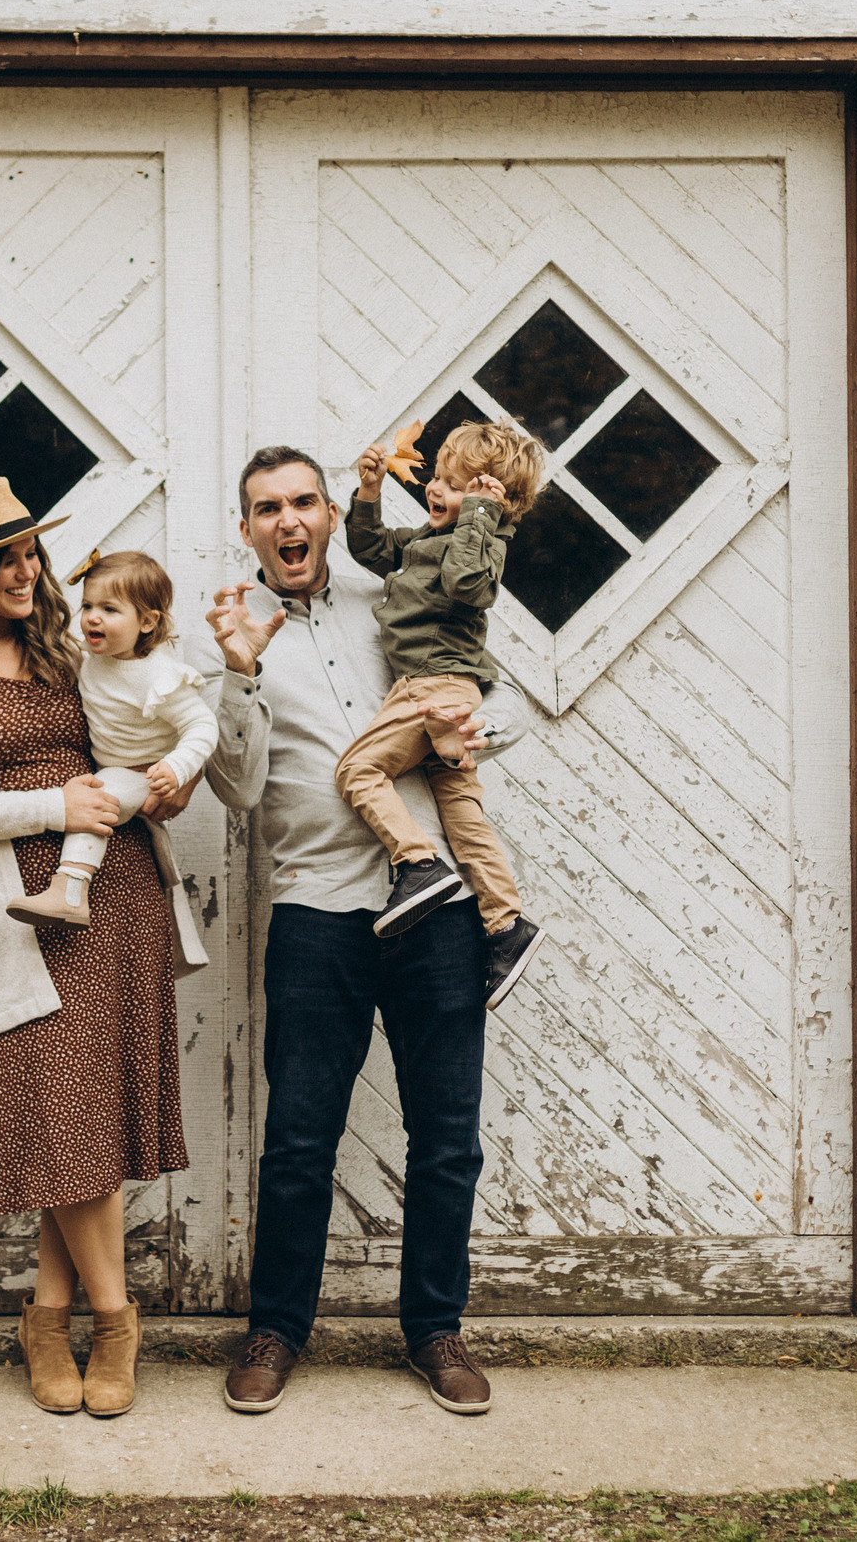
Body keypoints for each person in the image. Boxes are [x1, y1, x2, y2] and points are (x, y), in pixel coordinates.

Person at [187, 445, 535, 1421]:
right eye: (268, 508)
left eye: (304, 501)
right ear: (247, 528)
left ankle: (435, 1330)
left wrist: (474, 728)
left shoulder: (395, 599)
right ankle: (275, 1330)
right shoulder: (229, 643)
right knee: (299, 1139)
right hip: (316, 911)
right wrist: (239, 675)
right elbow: (236, 789)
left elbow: (498, 691)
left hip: (438, 907)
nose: (288, 520)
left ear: (331, 515)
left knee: (447, 1137)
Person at [0, 479, 190, 1421]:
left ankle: (48, 1318)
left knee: (83, 1119)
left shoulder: (69, 640)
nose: (26, 571)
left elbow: (144, 719)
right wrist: (54, 805)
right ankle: (116, 1320)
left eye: (30, 553)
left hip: (110, 895)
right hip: (13, 913)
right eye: (3, 560)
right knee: (62, 1115)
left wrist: (166, 777)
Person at [337, 421, 548, 1005]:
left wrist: (479, 514)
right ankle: (506, 923)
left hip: (434, 685)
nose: (436, 489)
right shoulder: (430, 538)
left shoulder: (481, 543)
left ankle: (418, 864)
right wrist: (370, 492)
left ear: (494, 504)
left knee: (358, 771)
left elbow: (465, 584)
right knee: (461, 812)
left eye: (456, 487)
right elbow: (372, 549)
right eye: (438, 477)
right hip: (445, 694)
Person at [4, 549, 214, 974]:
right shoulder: (91, 657)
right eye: (87, 606)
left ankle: (70, 891)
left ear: (147, 622)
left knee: (98, 801)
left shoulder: (158, 675)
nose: (92, 618)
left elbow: (204, 726)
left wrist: (177, 768)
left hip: (140, 771)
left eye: (109, 610)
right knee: (101, 789)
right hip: (110, 765)